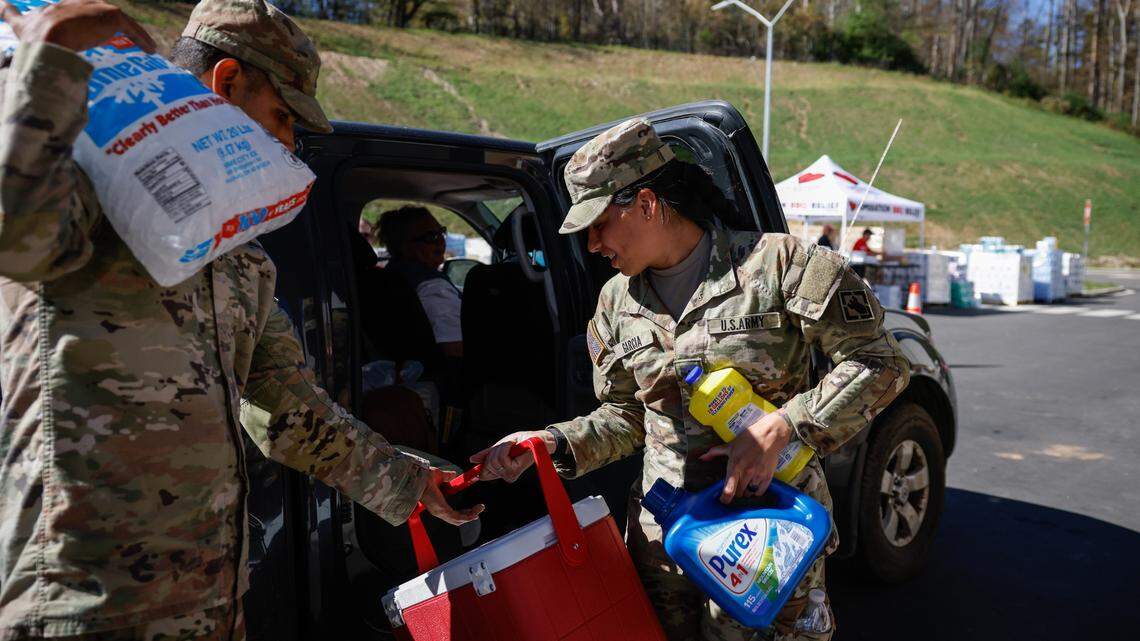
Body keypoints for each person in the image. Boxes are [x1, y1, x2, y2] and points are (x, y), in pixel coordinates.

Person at [0, 1, 480, 639]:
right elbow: (15, 238)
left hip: (209, 601)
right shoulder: (85, 176)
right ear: (225, 82)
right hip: (81, 599)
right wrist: (50, 60)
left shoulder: (237, 255)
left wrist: (411, 481)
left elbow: (288, 409)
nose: (286, 142)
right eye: (282, 116)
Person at [473, 119, 910, 641]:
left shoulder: (780, 266)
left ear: (647, 203)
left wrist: (782, 427)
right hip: (666, 545)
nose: (591, 244)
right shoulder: (615, 303)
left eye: (599, 224)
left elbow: (881, 363)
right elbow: (626, 418)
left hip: (768, 534)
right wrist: (550, 442)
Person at [378, 206, 464, 358]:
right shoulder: (434, 288)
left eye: (441, 232)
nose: (441, 242)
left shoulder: (392, 273)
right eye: (431, 237)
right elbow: (455, 349)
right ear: (405, 246)